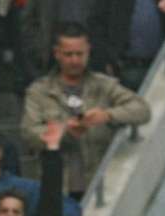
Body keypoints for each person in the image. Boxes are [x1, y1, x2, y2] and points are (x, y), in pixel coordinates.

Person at [21, 22, 151, 197]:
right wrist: (65, 131)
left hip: (100, 182)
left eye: (79, 54)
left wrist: (107, 115)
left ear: (88, 51)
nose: (75, 60)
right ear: (56, 53)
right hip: (58, 187)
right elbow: (29, 133)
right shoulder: (39, 91)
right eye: (68, 54)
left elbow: (142, 109)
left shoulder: (104, 84)